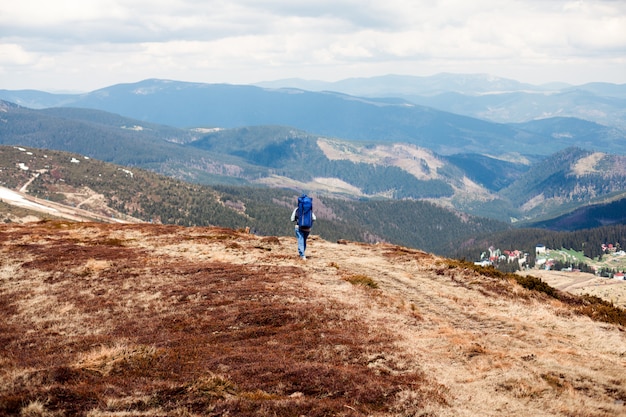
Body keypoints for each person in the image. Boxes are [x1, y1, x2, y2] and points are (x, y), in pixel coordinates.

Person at [291, 195, 316, 260]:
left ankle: (302, 255)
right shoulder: (309, 211)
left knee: (300, 241)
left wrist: (298, 220)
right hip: (307, 229)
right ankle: (302, 254)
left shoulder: (297, 209)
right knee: (304, 241)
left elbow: (292, 219)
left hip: (299, 227)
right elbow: (314, 218)